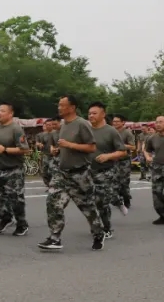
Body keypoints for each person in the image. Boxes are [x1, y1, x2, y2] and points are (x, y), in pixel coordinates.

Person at [38, 94, 105, 251]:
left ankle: (98, 233)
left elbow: (91, 147)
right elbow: (66, 147)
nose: (59, 108)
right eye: (59, 105)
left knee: (87, 207)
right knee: (52, 202)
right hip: (62, 173)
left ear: (72, 107)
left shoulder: (82, 124)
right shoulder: (63, 125)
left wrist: (69, 144)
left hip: (80, 174)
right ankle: (55, 238)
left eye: (62, 105)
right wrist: (59, 150)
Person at [0, 102, 30, 236]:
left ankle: (22, 224)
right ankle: (5, 217)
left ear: (11, 114)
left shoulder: (16, 129)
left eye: (3, 111)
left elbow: (25, 149)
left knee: (15, 199)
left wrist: (5, 150)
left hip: (13, 170)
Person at [87, 101, 127, 239]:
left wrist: (108, 156)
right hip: (87, 171)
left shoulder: (111, 131)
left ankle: (106, 228)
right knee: (89, 201)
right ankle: (117, 200)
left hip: (105, 171)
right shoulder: (86, 129)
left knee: (101, 201)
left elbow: (122, 152)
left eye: (94, 113)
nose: (91, 116)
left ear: (103, 114)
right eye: (89, 113)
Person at [111, 114, 136, 213]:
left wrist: (122, 145)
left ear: (123, 122)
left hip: (124, 161)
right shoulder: (111, 132)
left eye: (117, 121)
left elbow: (133, 147)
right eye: (114, 121)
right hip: (113, 160)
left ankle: (126, 199)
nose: (115, 123)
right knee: (114, 181)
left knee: (124, 181)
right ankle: (118, 199)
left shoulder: (127, 133)